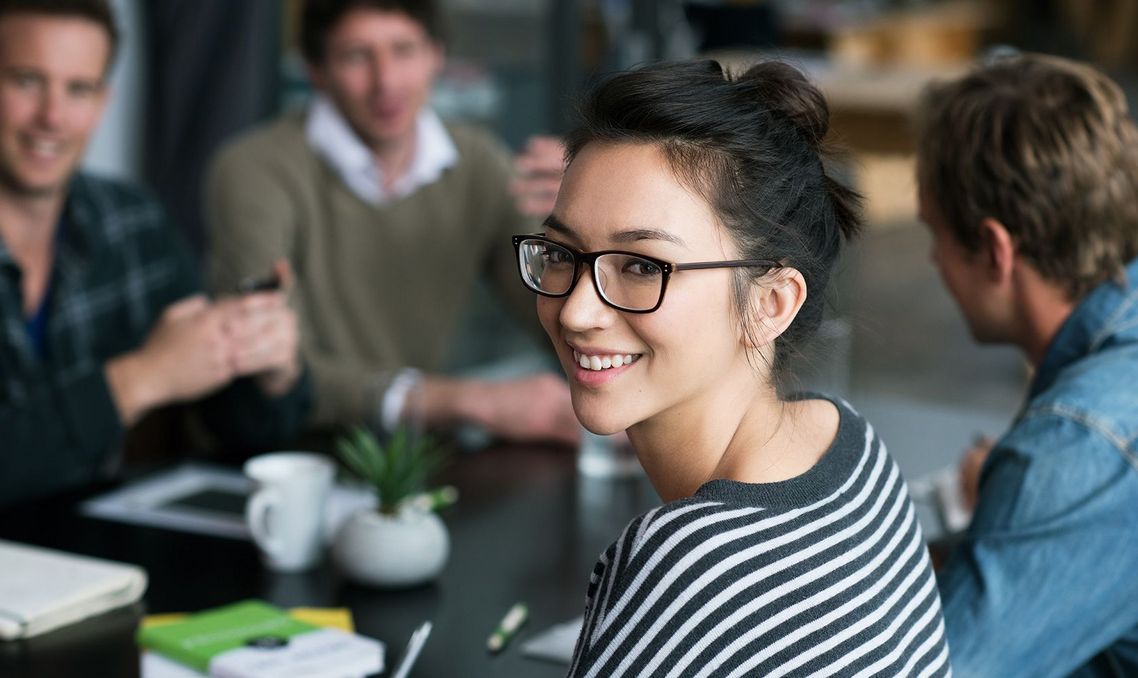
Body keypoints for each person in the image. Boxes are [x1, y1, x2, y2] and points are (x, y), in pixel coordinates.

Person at [516, 59, 951, 676]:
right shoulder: (849, 445)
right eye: (562, 252)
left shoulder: (688, 562)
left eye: (642, 266)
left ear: (772, 302)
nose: (578, 311)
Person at [205, 0, 578, 445]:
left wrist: (583, 224)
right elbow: (271, 362)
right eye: (356, 56)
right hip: (283, 452)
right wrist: (468, 400)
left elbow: (558, 317)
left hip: (409, 457)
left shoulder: (477, 163)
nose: (386, 82)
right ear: (316, 70)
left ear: (436, 55)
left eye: (404, 50)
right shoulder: (255, 169)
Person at [0, 0, 309, 506]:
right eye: (27, 81)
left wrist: (268, 370)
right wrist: (139, 379)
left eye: (79, 89)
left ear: (102, 103)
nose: (51, 117)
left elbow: (241, 433)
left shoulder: (133, 222)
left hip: (95, 560)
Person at [916, 53, 1138, 676]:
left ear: (993, 249)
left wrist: (1029, 491)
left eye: (935, 234)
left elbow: (946, 670)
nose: (932, 260)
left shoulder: (1075, 445)